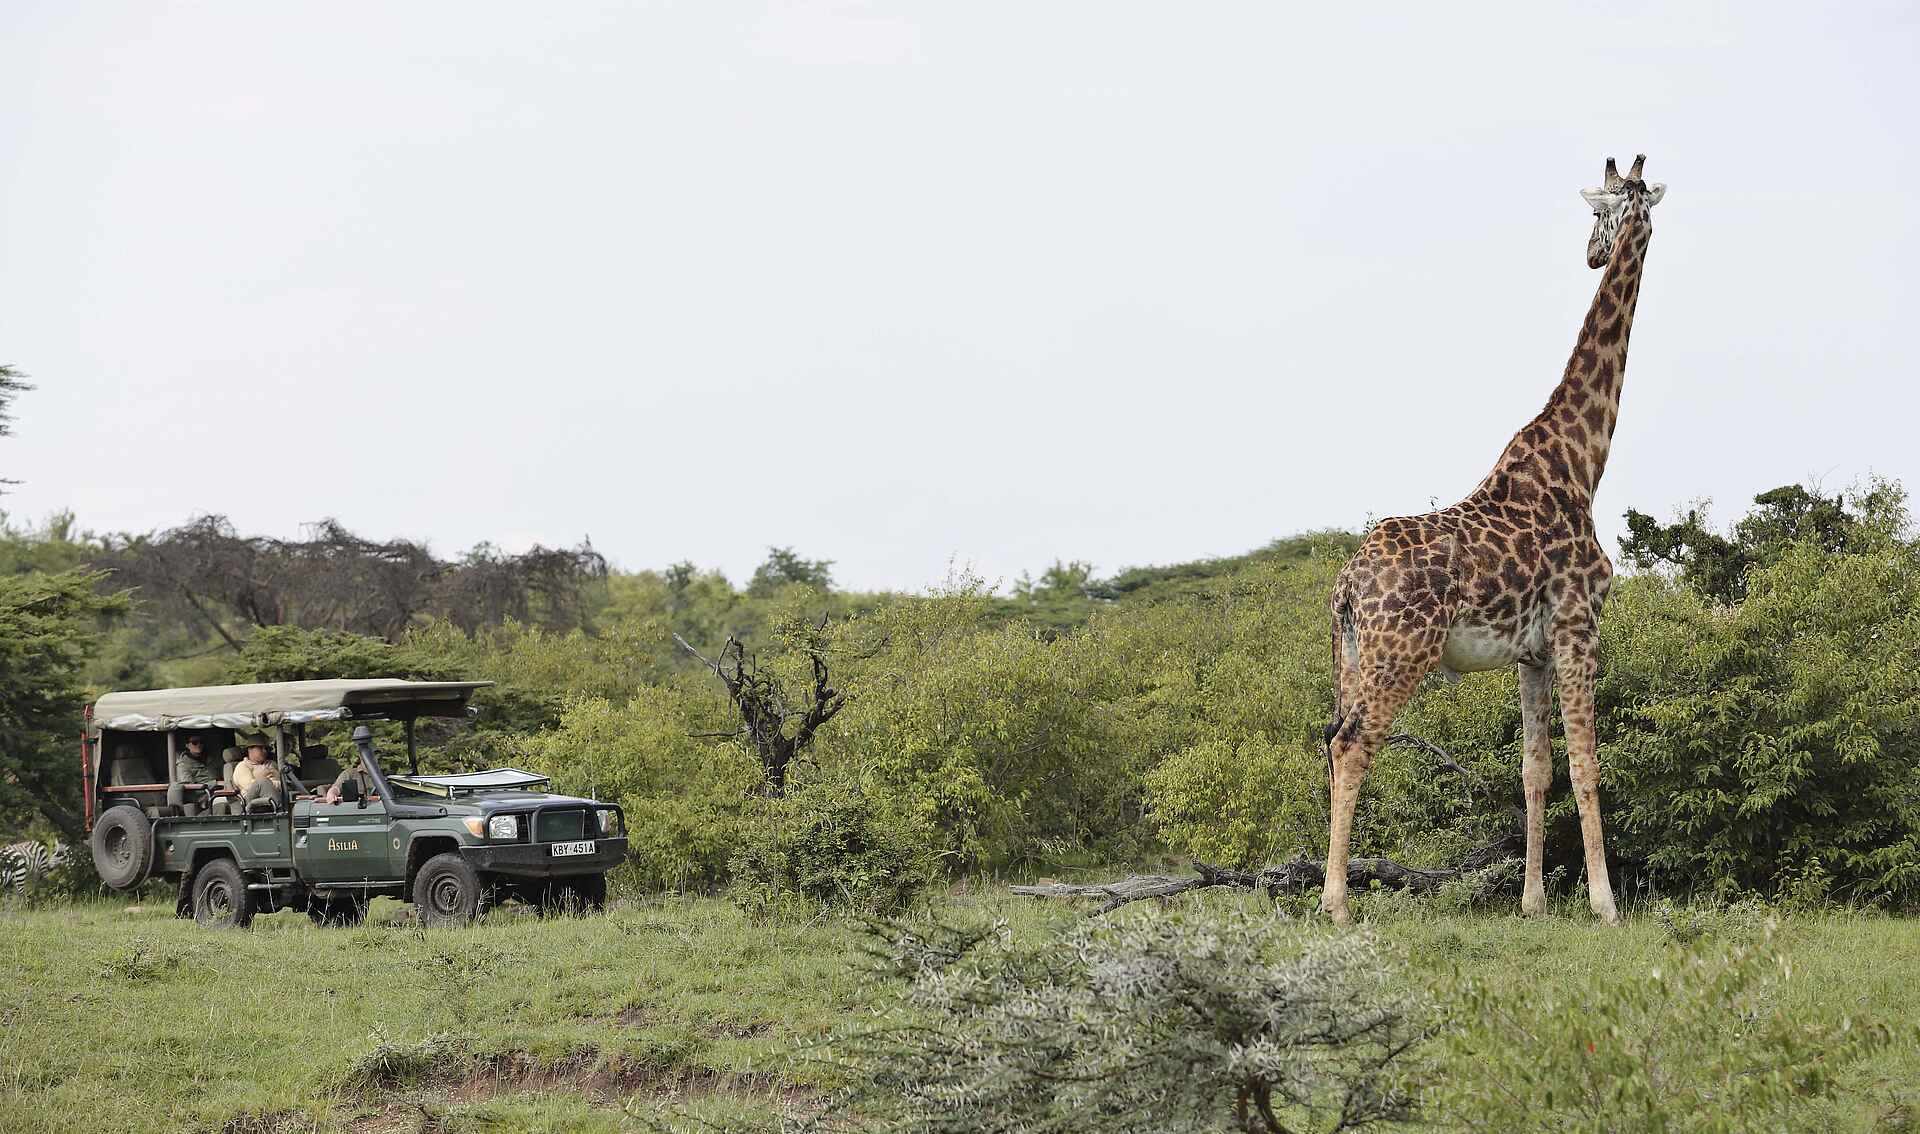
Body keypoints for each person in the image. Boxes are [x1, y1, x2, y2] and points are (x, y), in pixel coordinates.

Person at [320, 726, 377, 805]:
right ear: (361, 756)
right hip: (358, 810)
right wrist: (331, 794)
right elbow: (336, 788)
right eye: (369, 754)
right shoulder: (350, 774)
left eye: (375, 754)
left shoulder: (382, 775)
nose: (373, 757)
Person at [166, 734, 219, 815]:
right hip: (202, 797)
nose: (199, 745)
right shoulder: (183, 764)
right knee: (222, 802)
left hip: (218, 791)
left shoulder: (210, 759)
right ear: (187, 745)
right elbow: (189, 787)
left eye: (201, 742)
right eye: (194, 742)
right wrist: (215, 783)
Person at [231, 732, 283, 808]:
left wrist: (275, 783)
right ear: (250, 749)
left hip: (277, 794)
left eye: (265, 748)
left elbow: (282, 781)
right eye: (261, 748)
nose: (264, 751)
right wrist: (269, 781)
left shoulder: (272, 764)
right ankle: (281, 811)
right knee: (262, 782)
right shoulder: (243, 766)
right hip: (251, 800)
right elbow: (249, 786)